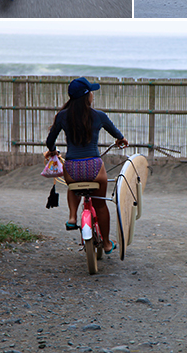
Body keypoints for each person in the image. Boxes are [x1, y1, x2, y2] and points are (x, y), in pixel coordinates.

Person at [45, 77, 128, 254]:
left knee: (73, 187)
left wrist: (53, 151)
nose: (92, 95)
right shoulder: (99, 116)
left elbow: (49, 141)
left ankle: (73, 217)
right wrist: (121, 140)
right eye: (91, 92)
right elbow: (118, 135)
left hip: (72, 168)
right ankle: (106, 243)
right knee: (100, 205)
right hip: (94, 167)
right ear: (86, 96)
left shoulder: (62, 116)